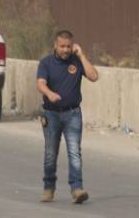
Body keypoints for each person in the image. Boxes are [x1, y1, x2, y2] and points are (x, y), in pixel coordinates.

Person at [36, 30, 98, 204]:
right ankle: (49, 188)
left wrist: (81, 55)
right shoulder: (46, 63)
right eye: (62, 46)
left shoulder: (77, 61)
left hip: (72, 114)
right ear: (55, 45)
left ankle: (77, 189)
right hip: (51, 114)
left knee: (74, 152)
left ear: (73, 46)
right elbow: (40, 83)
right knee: (50, 153)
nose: (65, 50)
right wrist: (49, 93)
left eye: (68, 46)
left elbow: (94, 76)